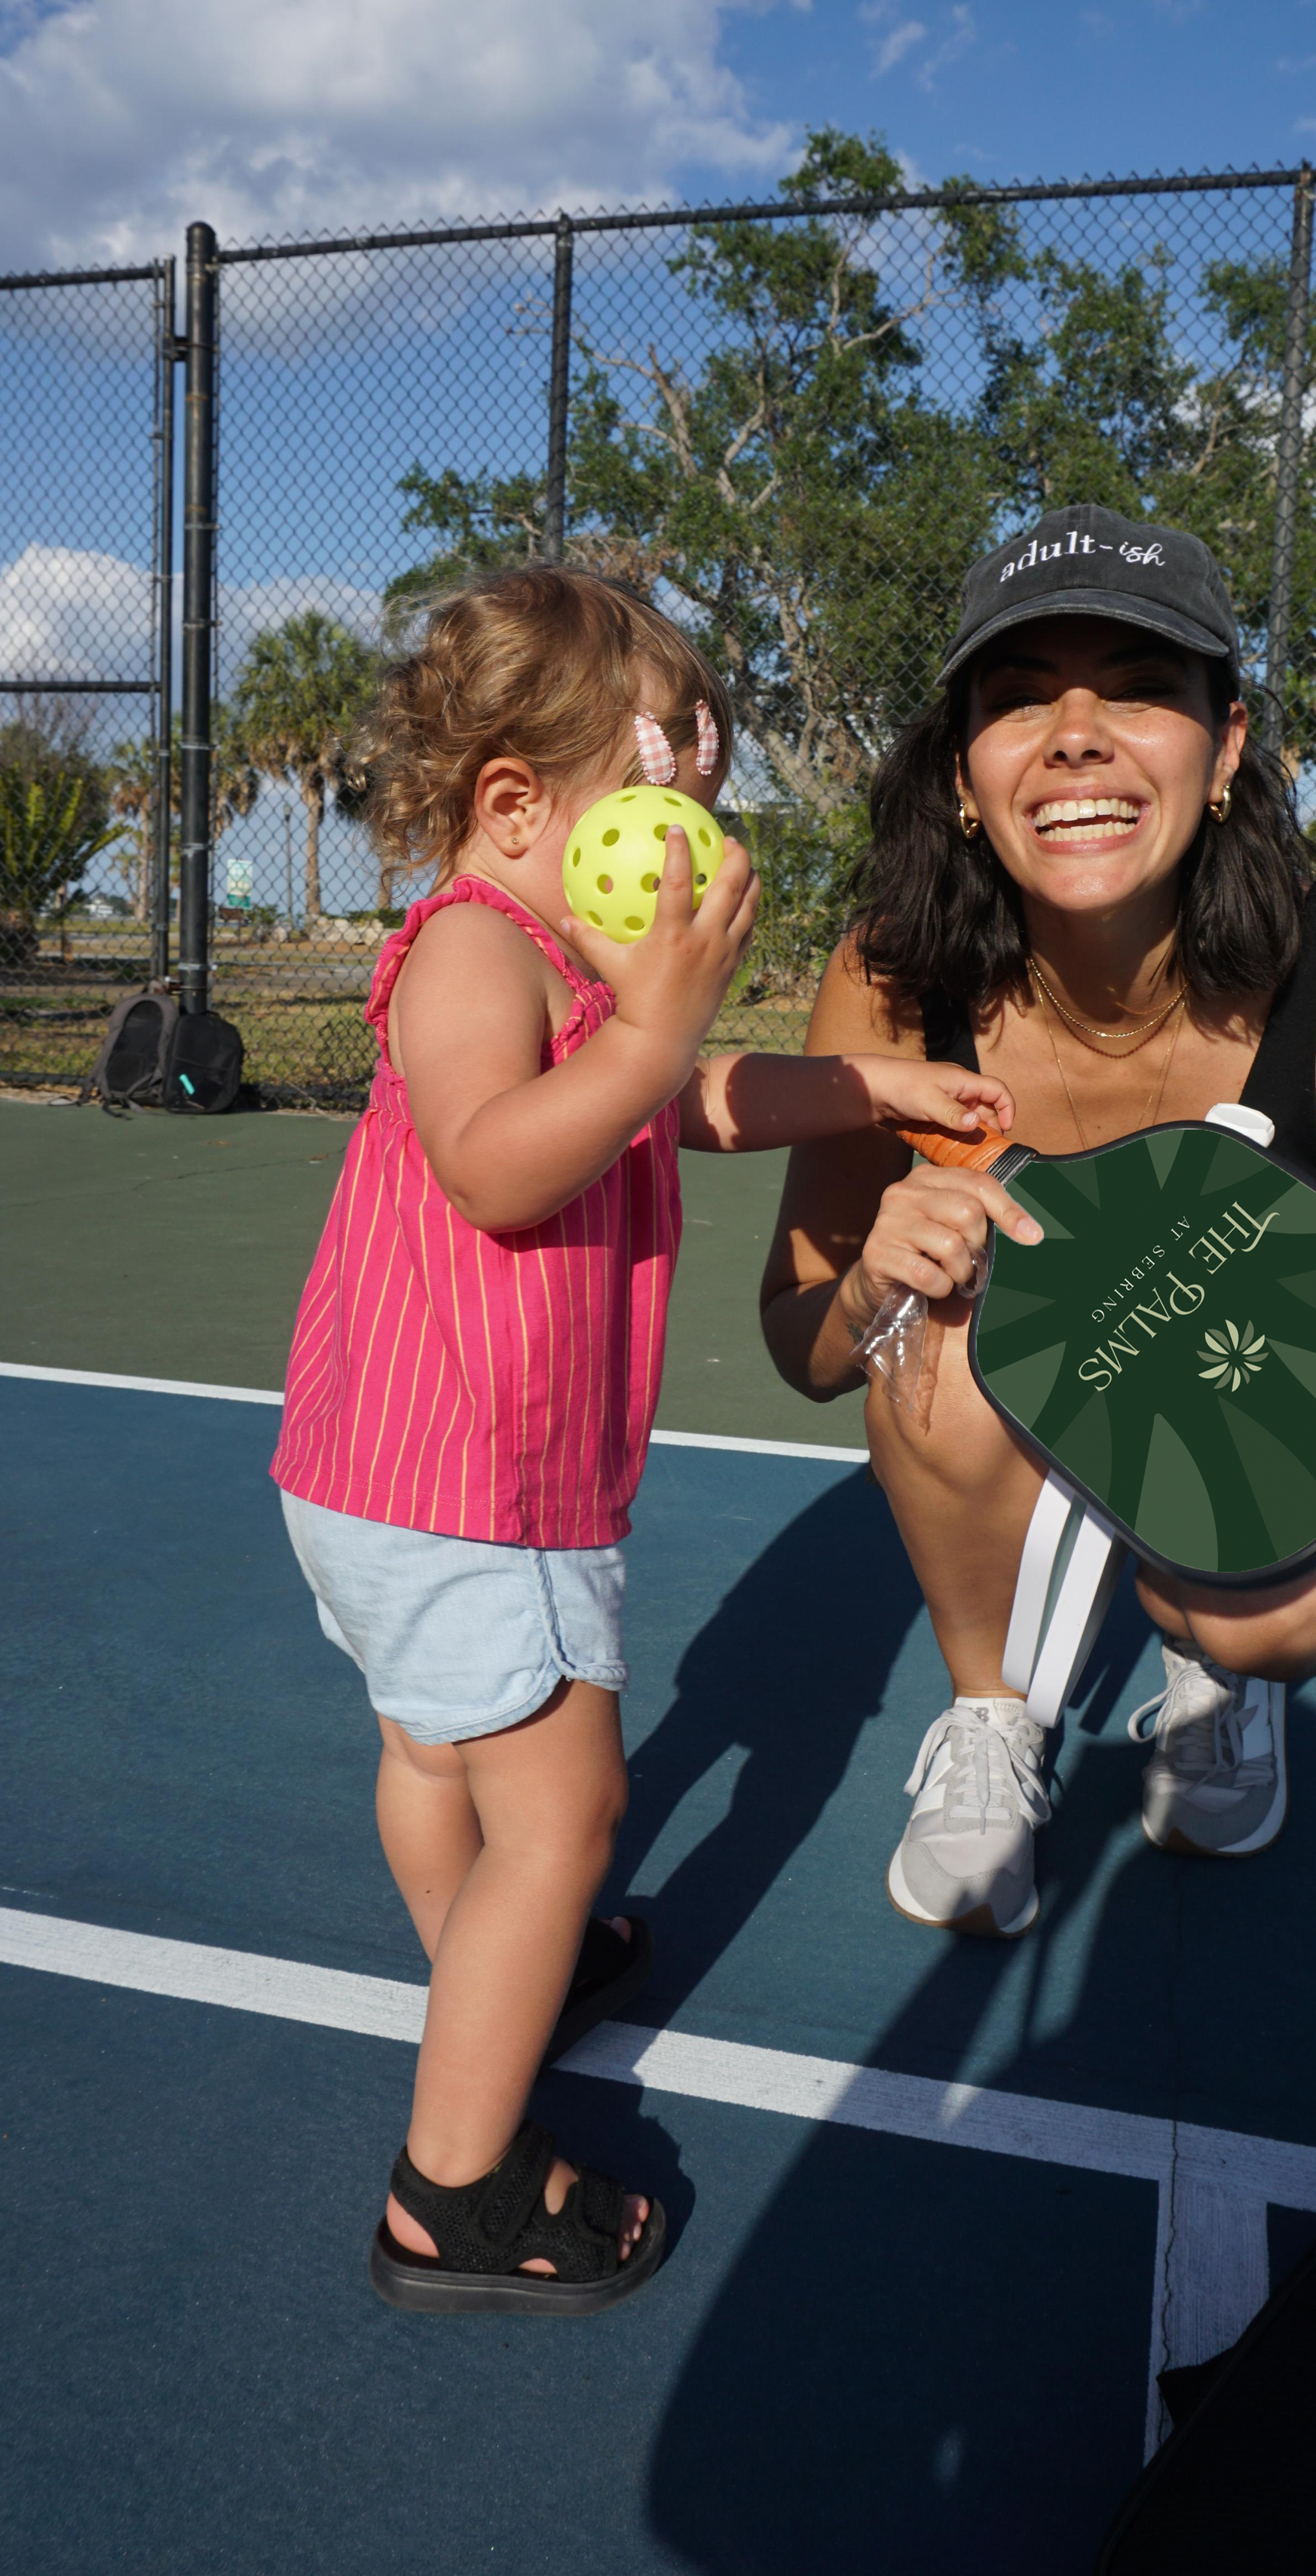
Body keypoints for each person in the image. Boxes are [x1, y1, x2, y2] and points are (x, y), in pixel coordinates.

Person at [271, 566, 1011, 2311]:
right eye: (659, 805)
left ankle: (489, 1964)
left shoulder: (551, 961)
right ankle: (454, 2196)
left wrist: (871, 1090)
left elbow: (676, 1096)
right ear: (515, 804)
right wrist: (666, 1022)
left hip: (387, 1468)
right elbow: (497, 1160)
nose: (687, 852)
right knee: (568, 1806)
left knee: (442, 1756)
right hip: (470, 1483)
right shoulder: (469, 944)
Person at [760, 504, 1316, 1937]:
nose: (1078, 731)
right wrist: (874, 1284)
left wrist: (1261, 1461)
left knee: (1249, 1615)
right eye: (1023, 692)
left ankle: (1220, 1682)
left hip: (1272, 1397)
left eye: (1140, 684)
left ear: (1226, 747)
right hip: (1029, 1385)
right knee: (934, 1331)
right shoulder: (891, 976)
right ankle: (993, 1712)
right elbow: (805, 1345)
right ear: (966, 776)